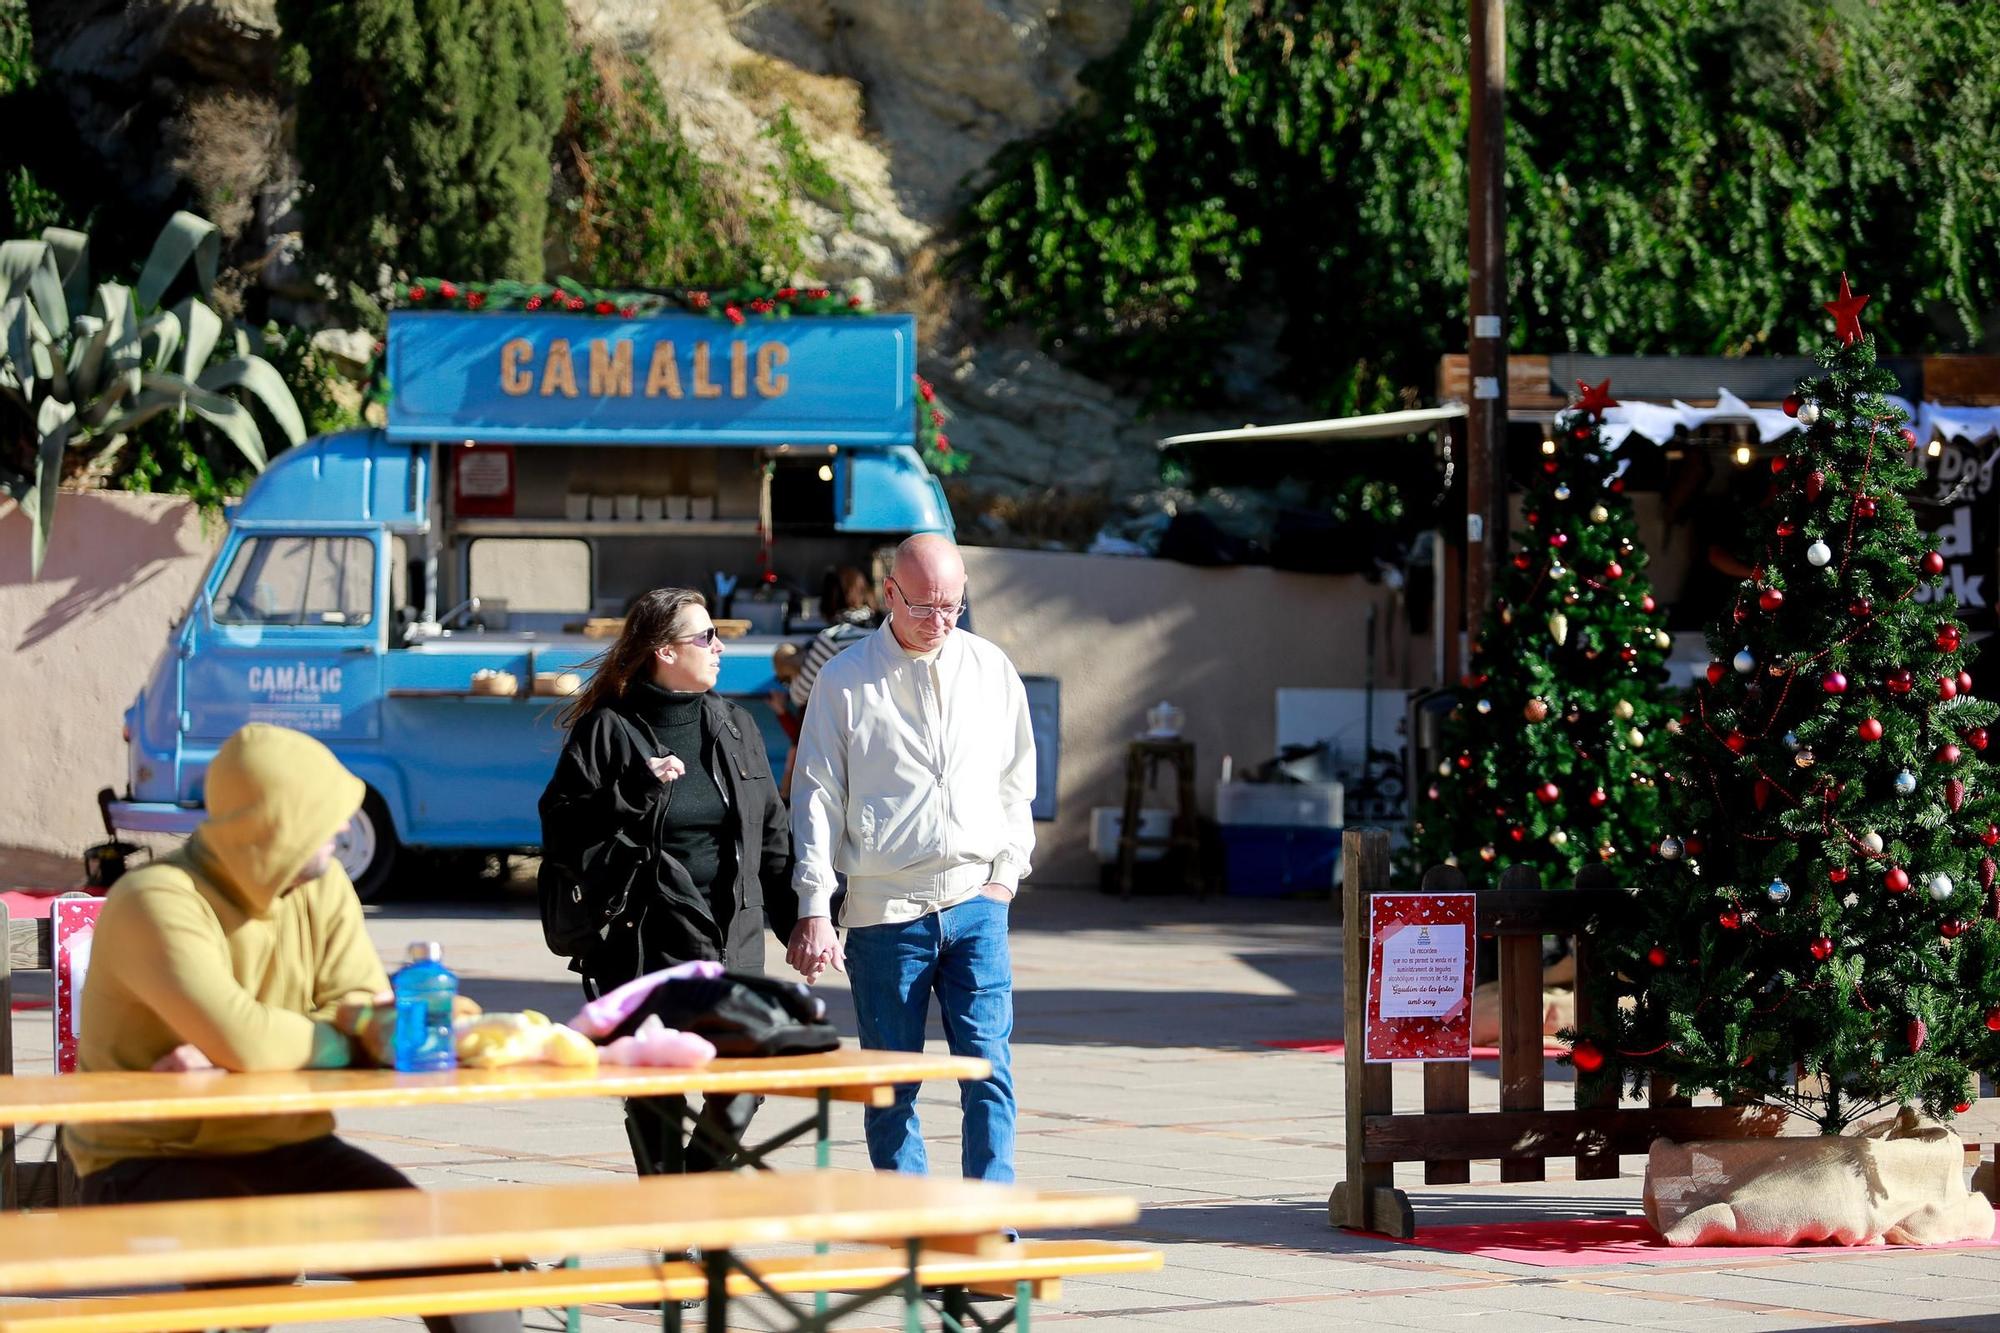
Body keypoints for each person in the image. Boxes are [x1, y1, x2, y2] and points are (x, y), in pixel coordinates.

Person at [65, 723, 520, 1333]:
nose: (342, 827)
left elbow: (368, 1016)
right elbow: (252, 1039)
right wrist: (294, 1044)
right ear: (275, 825)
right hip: (147, 1160)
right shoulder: (156, 900)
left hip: (291, 1145)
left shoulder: (323, 883)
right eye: (324, 814)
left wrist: (253, 1052)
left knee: (468, 1286)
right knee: (251, 1262)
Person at [786, 534, 1036, 1184]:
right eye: (923, 606)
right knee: (892, 1082)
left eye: (952, 605)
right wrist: (815, 904)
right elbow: (816, 795)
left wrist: (1005, 876)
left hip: (976, 903)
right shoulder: (845, 676)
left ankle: (989, 1226)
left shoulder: (990, 667)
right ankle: (913, 1228)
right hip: (883, 912)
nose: (940, 621)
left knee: (989, 1070)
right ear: (889, 594)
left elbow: (1018, 779)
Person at [539, 587, 796, 1176]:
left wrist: (804, 924)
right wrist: (633, 792)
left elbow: (772, 835)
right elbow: (562, 829)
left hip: (733, 938)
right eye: (704, 636)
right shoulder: (607, 731)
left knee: (744, 1080)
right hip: (643, 940)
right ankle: (676, 1232)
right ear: (663, 650)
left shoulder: (736, 725)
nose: (718, 647)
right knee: (657, 1089)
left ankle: (685, 1196)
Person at [788, 565, 883, 717]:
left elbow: (801, 694)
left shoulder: (832, 639)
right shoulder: (885, 631)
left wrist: (791, 676)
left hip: (848, 728)